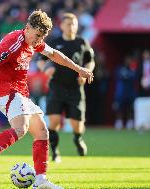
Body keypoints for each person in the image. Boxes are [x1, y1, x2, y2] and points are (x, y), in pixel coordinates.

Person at [0, 10, 93, 189]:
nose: (38, 40)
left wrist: (79, 69)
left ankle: (40, 180)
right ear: (28, 28)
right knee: (21, 127)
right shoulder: (14, 43)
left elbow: (56, 55)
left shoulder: (34, 40)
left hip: (20, 92)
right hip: (5, 90)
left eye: (42, 36)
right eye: (37, 35)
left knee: (42, 131)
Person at [37, 13, 95, 162]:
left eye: (74, 23)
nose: (71, 26)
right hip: (56, 87)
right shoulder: (54, 42)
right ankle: (55, 152)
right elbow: (41, 61)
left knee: (77, 125)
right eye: (68, 24)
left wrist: (86, 71)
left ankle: (78, 138)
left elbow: (90, 61)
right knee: (54, 121)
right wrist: (46, 69)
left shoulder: (82, 42)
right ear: (62, 26)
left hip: (75, 88)